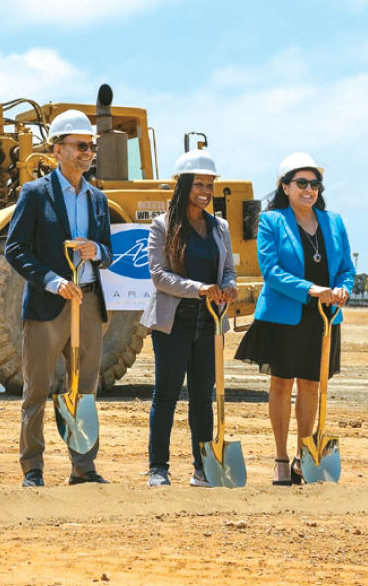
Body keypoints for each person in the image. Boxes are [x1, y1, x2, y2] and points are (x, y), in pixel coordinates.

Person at [5, 109, 113, 488]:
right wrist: (52, 281)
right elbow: (16, 249)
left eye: (92, 146)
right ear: (58, 149)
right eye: (81, 145)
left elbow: (109, 253)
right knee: (36, 389)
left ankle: (83, 467)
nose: (88, 152)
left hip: (88, 303)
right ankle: (32, 469)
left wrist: (95, 249)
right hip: (48, 305)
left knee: (84, 389)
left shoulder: (98, 199)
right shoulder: (35, 194)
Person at [235, 152, 354, 485]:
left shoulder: (335, 222)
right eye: (301, 183)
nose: (309, 189)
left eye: (314, 184)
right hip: (284, 316)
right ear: (284, 187)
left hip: (325, 317)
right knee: (282, 383)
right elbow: (271, 272)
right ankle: (281, 458)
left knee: (312, 384)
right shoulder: (272, 221)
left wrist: (342, 289)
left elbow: (347, 268)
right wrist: (312, 289)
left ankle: (305, 455)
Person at [141, 150, 238, 488]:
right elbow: (159, 276)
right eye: (198, 183)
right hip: (173, 323)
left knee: (202, 397)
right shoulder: (163, 225)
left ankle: (202, 468)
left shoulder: (219, 227)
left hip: (210, 324)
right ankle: (158, 468)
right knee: (166, 394)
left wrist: (228, 287)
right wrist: (200, 288)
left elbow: (228, 270)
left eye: (210, 184)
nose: (206, 190)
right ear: (183, 185)